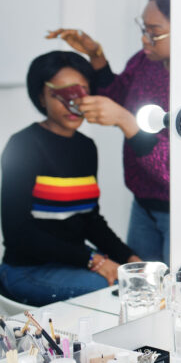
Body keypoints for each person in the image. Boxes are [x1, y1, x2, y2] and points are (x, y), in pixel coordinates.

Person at [0, 51, 142, 306]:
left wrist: (131, 258)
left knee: (138, 279)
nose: (73, 104)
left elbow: (90, 220)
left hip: (75, 262)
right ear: (42, 97)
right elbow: (17, 231)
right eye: (61, 94)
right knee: (116, 291)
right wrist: (92, 259)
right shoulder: (22, 145)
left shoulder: (86, 147)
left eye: (81, 93)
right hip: (27, 271)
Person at [46, 0, 171, 264]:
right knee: (144, 294)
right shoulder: (145, 62)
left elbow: (174, 171)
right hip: (142, 205)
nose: (145, 40)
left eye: (155, 31)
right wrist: (96, 56)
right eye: (144, 28)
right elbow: (116, 96)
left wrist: (127, 121)